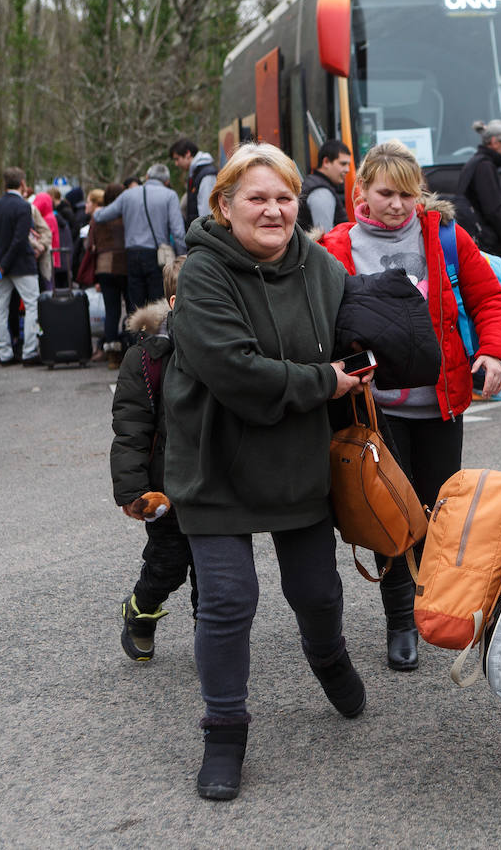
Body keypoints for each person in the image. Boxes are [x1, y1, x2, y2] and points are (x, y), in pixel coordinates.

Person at [164, 142, 371, 801]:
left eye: (285, 197)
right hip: (214, 460)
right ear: (224, 206)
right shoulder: (201, 273)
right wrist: (326, 381)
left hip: (296, 460)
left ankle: (329, 658)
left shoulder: (319, 265)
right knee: (227, 599)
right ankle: (224, 731)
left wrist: (386, 341)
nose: (275, 210)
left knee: (315, 590)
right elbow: (235, 373)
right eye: (257, 198)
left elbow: (355, 330)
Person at [317, 140, 501, 671]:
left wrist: (495, 354)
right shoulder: (336, 246)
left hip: (439, 404)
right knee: (390, 513)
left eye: (408, 194)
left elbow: (490, 300)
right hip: (374, 409)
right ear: (361, 192)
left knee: (436, 512)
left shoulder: (446, 236)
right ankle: (401, 618)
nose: (398, 205)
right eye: (385, 194)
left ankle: (441, 606)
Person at [113, 255, 197, 661]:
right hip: (165, 484)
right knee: (169, 562)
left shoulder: (227, 345)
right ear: (177, 301)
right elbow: (130, 429)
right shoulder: (146, 359)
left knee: (214, 571)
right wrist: (134, 490)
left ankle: (212, 640)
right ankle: (140, 611)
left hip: (214, 480)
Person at [94, 163, 184, 310]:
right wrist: (182, 257)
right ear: (167, 181)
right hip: (157, 256)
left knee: (136, 304)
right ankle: (156, 333)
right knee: (158, 303)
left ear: (147, 177)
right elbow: (178, 232)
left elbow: (102, 216)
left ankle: (138, 333)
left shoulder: (128, 194)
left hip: (132, 255)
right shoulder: (170, 195)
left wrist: (96, 210)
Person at [0, 167, 41, 365]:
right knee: (32, 305)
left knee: (0, 308)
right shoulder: (23, 207)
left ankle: (4, 353)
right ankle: (29, 351)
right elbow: (19, 239)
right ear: (22, 183)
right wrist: (5, 263)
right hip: (21, 264)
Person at [455, 119, 501, 266]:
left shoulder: (476, 164)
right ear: (494, 142)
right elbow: (494, 212)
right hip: (489, 252)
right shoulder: (485, 167)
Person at [85, 183, 129, 361]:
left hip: (103, 268)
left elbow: (89, 244)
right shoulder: (125, 215)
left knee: (111, 311)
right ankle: (131, 347)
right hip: (124, 266)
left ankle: (111, 354)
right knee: (131, 308)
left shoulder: (98, 217)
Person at [297, 139, 351, 233]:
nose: (347, 169)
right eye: (343, 164)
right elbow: (325, 238)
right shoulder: (321, 192)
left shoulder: (314, 182)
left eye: (348, 165)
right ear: (326, 162)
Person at [169, 138, 218, 230]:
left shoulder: (206, 175)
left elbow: (207, 213)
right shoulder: (196, 173)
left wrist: (204, 237)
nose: (176, 164)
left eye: (177, 159)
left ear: (187, 154)